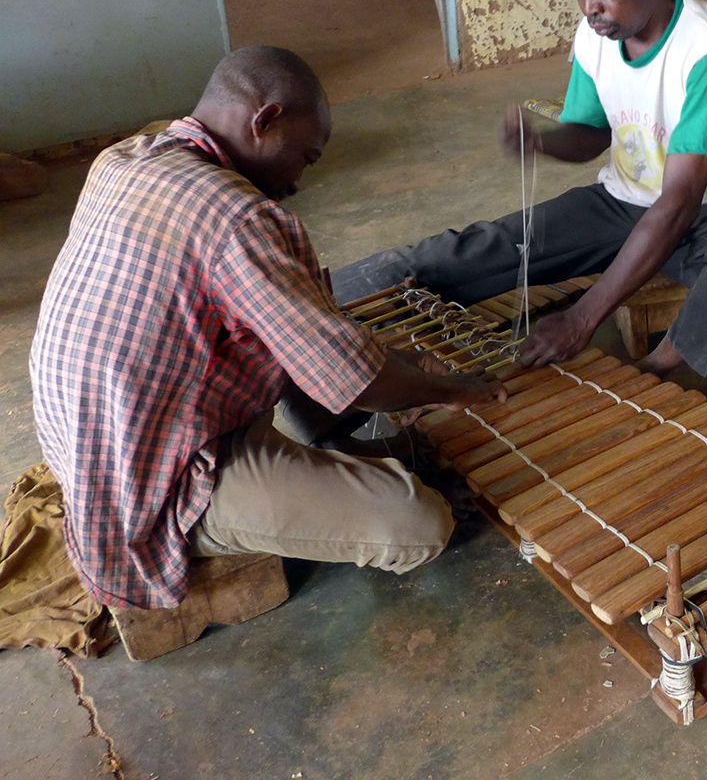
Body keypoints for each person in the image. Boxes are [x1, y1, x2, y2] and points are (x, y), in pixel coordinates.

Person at [29, 46, 503, 611]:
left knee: (317, 365)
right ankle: (200, 528)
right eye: (306, 156)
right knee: (418, 522)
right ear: (265, 120)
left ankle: (323, 464)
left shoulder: (129, 156)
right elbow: (357, 381)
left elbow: (312, 335)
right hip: (156, 480)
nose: (299, 179)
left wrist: (395, 363)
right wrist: (453, 389)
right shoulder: (238, 217)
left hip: (95, 437)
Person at [332, 0, 707, 378]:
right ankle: (336, 294)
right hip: (621, 204)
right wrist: (542, 142)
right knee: (483, 246)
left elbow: (679, 203)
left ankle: (661, 368)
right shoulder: (596, 36)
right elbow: (591, 134)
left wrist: (581, 317)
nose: (590, 6)